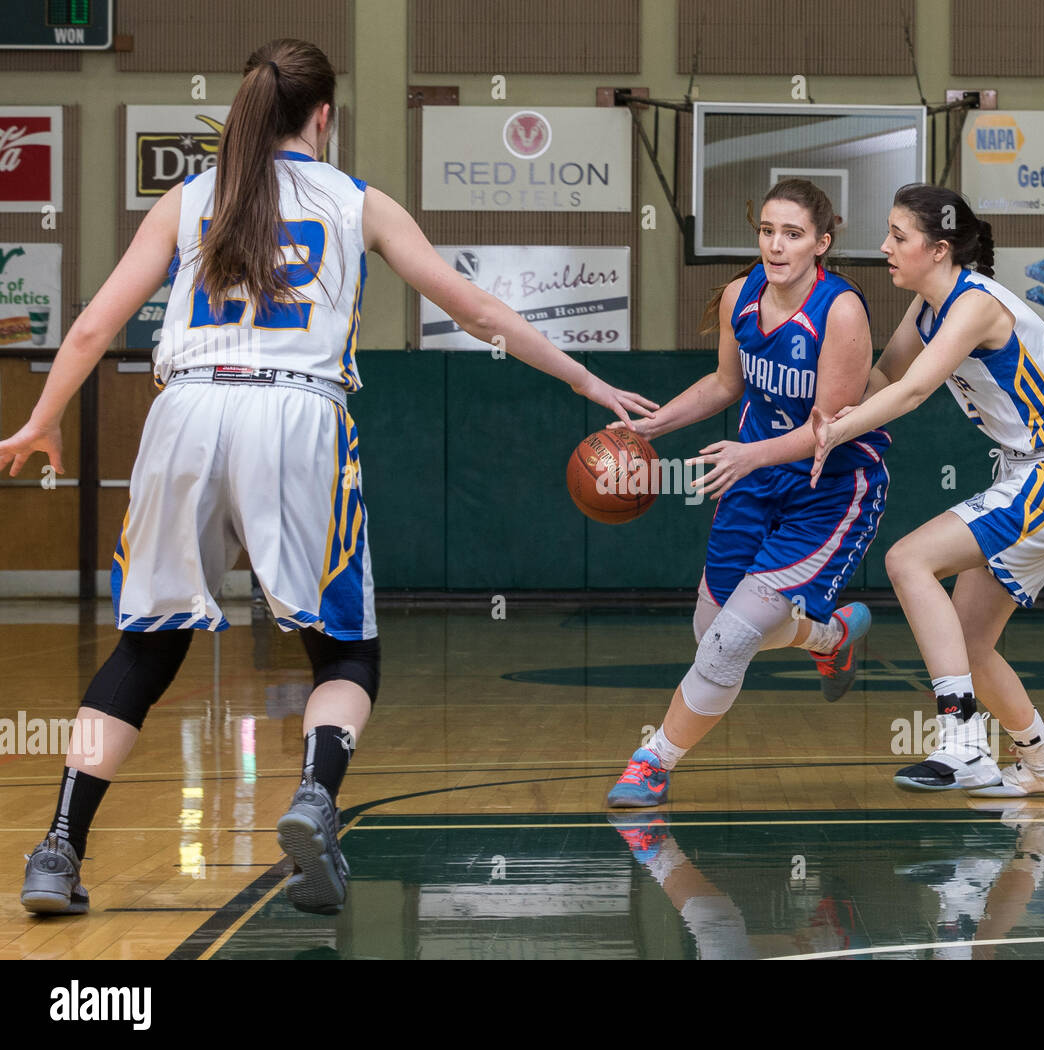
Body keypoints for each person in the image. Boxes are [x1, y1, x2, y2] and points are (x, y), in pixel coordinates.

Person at [3, 38, 654, 916]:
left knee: (146, 648)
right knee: (345, 648)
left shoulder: (190, 199)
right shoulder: (357, 202)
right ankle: (314, 794)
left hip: (186, 412)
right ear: (323, 117)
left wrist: (42, 420)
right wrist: (584, 379)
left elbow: (86, 331)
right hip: (296, 415)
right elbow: (479, 308)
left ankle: (56, 851)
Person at [811, 183, 1044, 797]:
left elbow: (912, 392)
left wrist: (833, 433)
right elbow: (884, 375)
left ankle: (964, 741)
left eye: (899, 236)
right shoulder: (926, 308)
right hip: (1027, 471)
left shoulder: (973, 305)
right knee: (968, 644)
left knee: (907, 559)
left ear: (939, 249)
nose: (885, 246)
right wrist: (817, 384)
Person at [605, 178, 890, 807]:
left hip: (829, 488)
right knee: (711, 630)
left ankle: (653, 761)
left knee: (733, 640)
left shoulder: (840, 310)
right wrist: (650, 425)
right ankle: (830, 637)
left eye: (792, 233)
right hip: (755, 477)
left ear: (822, 242)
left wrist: (748, 454)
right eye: (767, 230)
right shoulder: (742, 295)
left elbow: (828, 428)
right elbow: (723, 384)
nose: (776, 244)